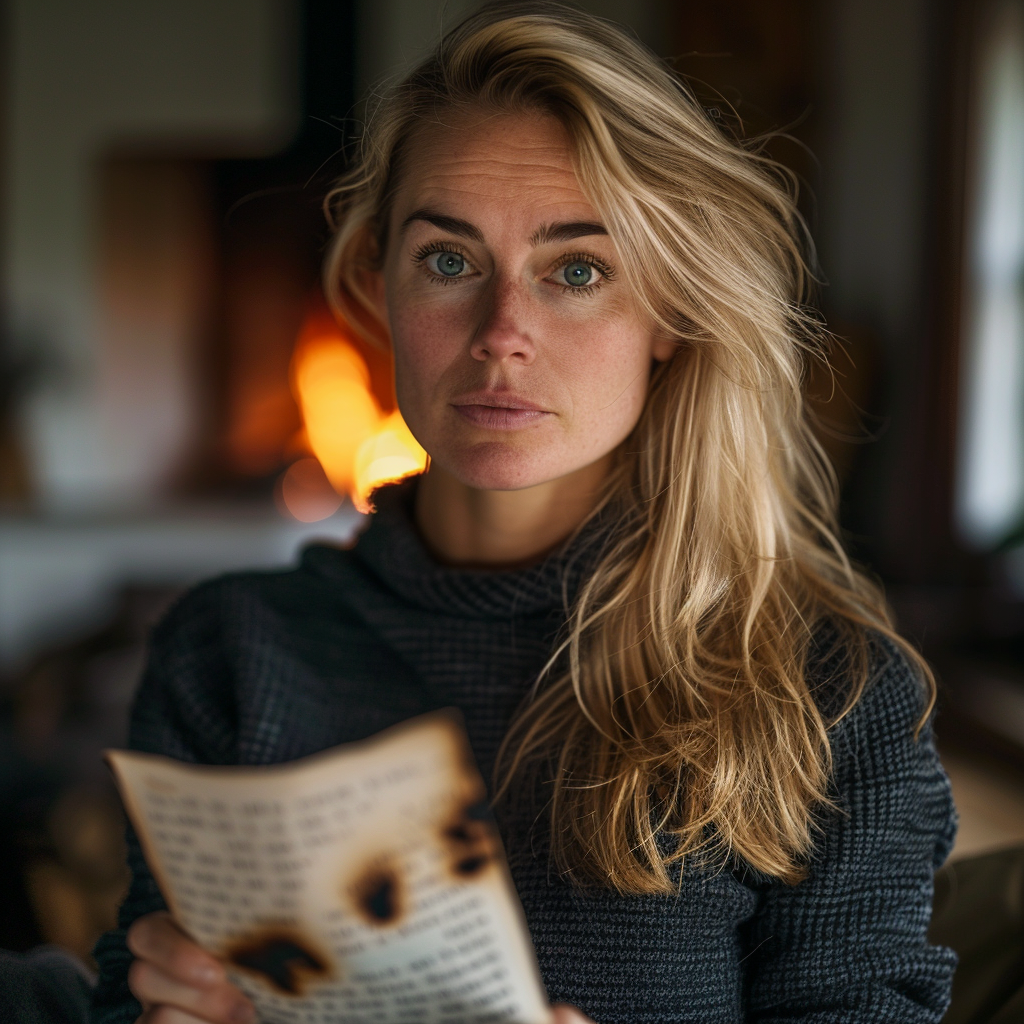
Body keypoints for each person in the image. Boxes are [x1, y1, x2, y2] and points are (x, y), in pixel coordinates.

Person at [90, 3, 958, 1022]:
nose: (502, 333)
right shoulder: (227, 650)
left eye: (577, 271)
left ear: (670, 311)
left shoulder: (828, 690)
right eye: (449, 260)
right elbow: (130, 995)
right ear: (377, 285)